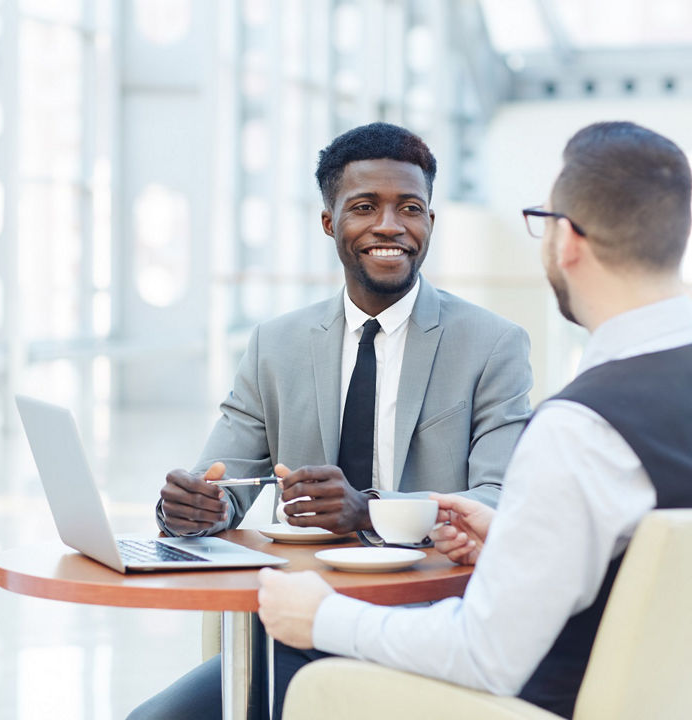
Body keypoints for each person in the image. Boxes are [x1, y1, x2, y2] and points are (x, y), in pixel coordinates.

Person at [257, 120, 692, 720]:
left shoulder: (581, 428)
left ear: (565, 240)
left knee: (285, 674)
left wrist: (321, 615)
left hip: (538, 700)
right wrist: (515, 540)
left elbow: (486, 655)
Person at [127, 122, 532, 719]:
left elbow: (498, 501)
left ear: (430, 223)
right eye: (365, 207)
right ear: (329, 223)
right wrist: (192, 507)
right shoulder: (276, 345)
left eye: (410, 208)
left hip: (432, 629)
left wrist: (368, 507)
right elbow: (222, 482)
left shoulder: (493, 345)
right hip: (299, 628)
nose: (390, 226)